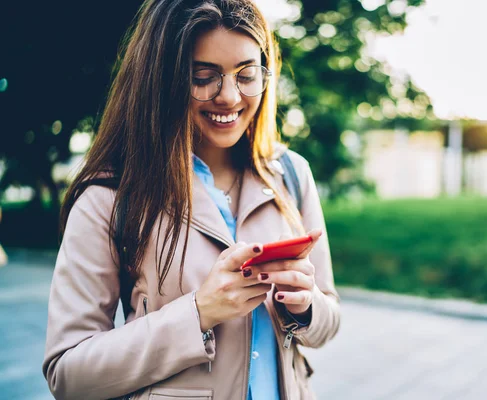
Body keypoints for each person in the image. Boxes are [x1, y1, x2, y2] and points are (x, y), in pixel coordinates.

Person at [42, 1, 340, 399]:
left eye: (247, 75)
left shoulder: (290, 173)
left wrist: (306, 308)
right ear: (159, 80)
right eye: (204, 77)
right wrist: (197, 313)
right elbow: (68, 373)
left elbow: (329, 319)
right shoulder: (108, 197)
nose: (230, 97)